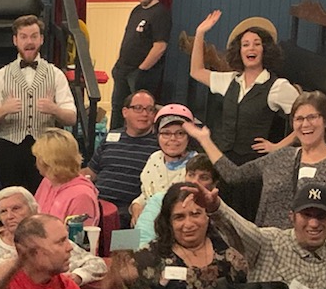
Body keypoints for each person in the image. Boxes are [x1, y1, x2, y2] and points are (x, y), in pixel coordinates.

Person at [186, 10, 299, 215]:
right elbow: (196, 71)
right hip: (223, 162)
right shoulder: (229, 80)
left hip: (252, 167)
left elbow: (307, 119)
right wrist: (200, 33)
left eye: (256, 43)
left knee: (245, 216)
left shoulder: (277, 86)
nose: (251, 48)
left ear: (265, 49)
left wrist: (278, 147)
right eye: (245, 44)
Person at [185, 88, 326, 226]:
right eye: (299, 119)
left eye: (312, 117)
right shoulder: (280, 157)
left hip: (317, 253)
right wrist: (205, 140)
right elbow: (234, 175)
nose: (305, 124)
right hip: (269, 250)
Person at [109, 181, 247, 289]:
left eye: (196, 214)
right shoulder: (146, 260)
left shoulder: (230, 255)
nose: (188, 224)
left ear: (208, 216)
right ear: (168, 222)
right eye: (179, 217)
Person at [0, 15, 78, 191]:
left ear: (41, 39)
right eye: (24, 37)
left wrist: (54, 109)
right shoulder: (1, 76)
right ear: (15, 40)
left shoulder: (56, 74)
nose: (29, 42)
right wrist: (4, 109)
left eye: (34, 36)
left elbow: (71, 117)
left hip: (46, 150)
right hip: (9, 149)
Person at [82, 90, 158, 219]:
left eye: (150, 109)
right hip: (98, 204)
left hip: (130, 211)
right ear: (125, 112)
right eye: (138, 108)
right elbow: (92, 172)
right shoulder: (110, 137)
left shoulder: (159, 145)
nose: (145, 114)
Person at [109, 0, 171, 120]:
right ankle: (114, 139)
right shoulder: (136, 10)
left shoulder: (161, 13)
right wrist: (118, 64)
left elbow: (160, 46)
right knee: (118, 107)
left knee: (141, 111)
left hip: (141, 73)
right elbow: (128, 39)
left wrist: (141, 70)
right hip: (122, 69)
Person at [130, 104, 201, 219]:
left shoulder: (197, 164)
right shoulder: (154, 158)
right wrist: (137, 205)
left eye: (180, 133)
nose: (173, 138)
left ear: (189, 137)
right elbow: (147, 193)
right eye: (166, 133)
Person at [32, 129, 101, 241]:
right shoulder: (47, 181)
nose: (36, 162)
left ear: (47, 162)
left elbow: (78, 243)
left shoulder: (82, 195)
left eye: (38, 158)